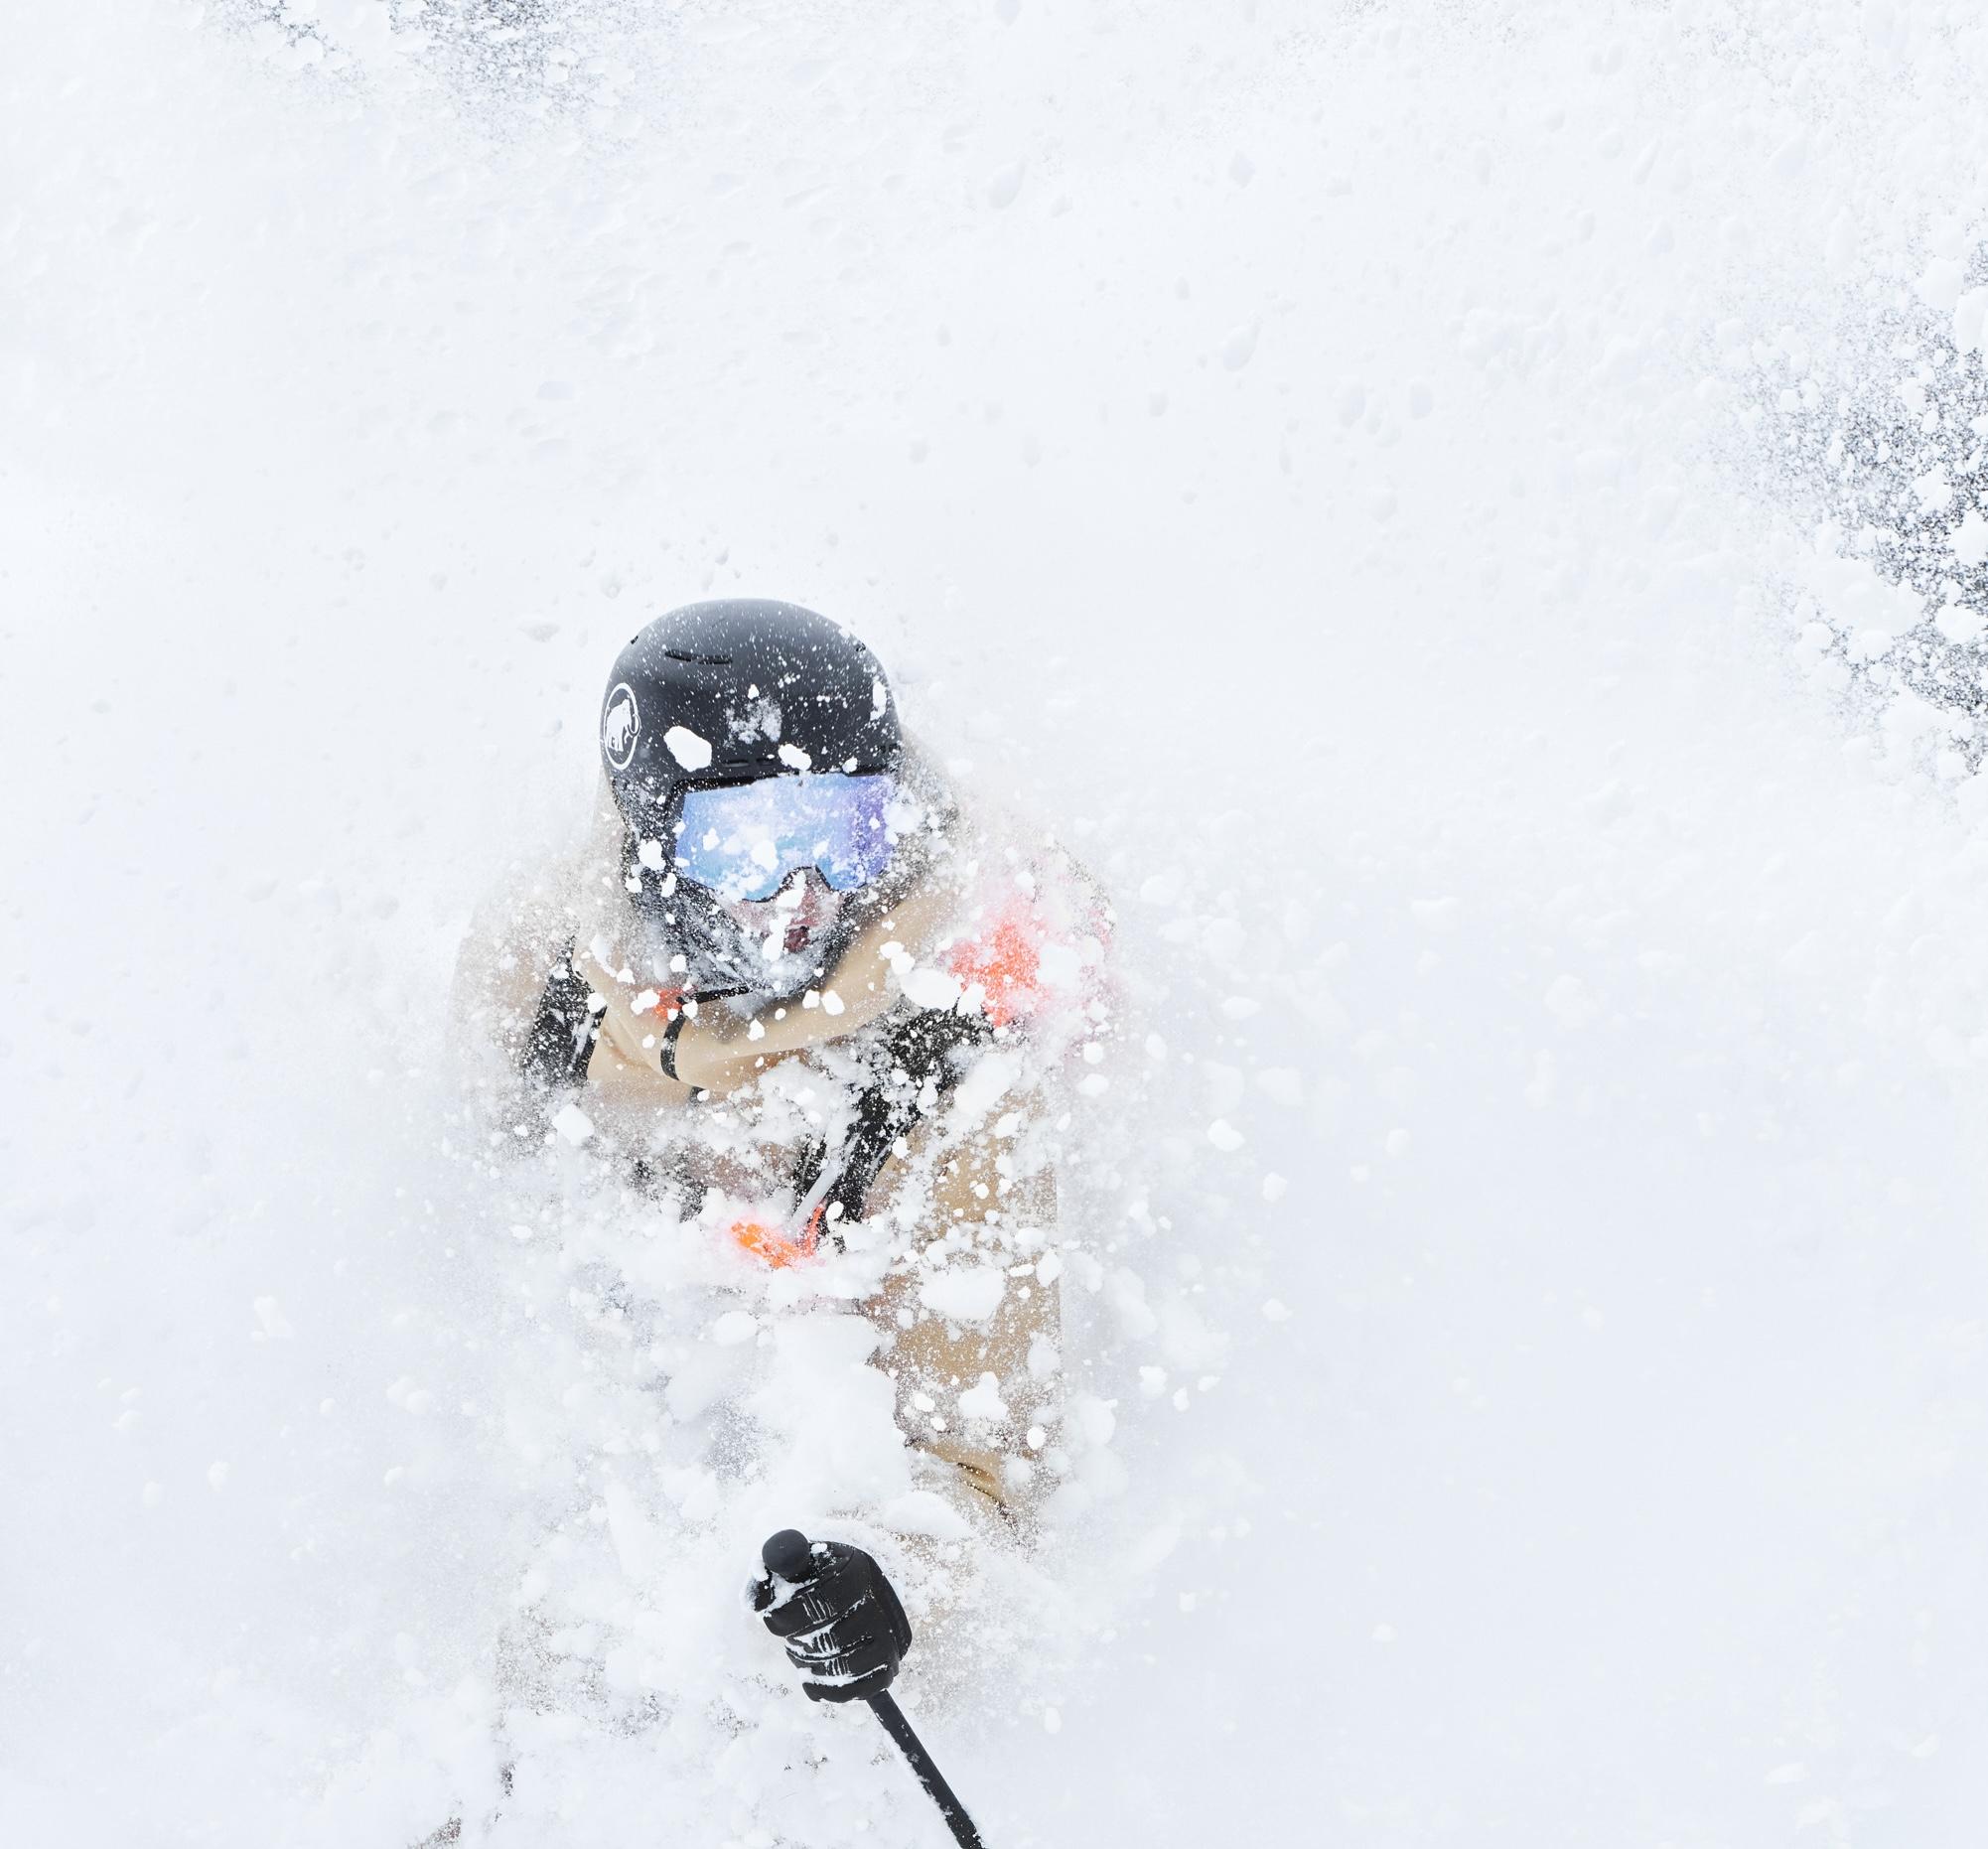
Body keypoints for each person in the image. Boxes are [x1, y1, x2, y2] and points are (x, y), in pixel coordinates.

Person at [452, 597, 1109, 1734]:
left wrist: (892, 1582)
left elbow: (988, 1475)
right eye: (745, 844)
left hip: (816, 1564)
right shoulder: (539, 982)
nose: (802, 892)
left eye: (843, 831)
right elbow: (465, 1240)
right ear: (650, 839)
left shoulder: (954, 1073)